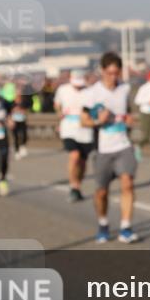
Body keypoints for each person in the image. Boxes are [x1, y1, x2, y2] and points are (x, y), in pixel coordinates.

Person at [80, 53, 139, 244]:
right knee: (101, 192)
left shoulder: (125, 90)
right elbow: (84, 121)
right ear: (102, 71)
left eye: (116, 73)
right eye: (109, 73)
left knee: (127, 183)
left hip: (123, 145)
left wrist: (129, 120)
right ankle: (103, 223)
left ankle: (126, 227)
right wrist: (99, 120)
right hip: (102, 149)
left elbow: (129, 114)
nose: (113, 77)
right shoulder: (92, 93)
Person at [55, 70, 94, 203]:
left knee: (82, 161)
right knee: (74, 155)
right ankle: (73, 186)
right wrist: (59, 112)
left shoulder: (90, 91)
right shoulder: (63, 90)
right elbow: (57, 104)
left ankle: (78, 185)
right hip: (68, 128)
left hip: (85, 130)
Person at [11, 81, 32, 160]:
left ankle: (23, 145)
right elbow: (8, 111)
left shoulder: (25, 101)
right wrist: (13, 110)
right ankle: (17, 151)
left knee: (24, 134)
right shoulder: (11, 102)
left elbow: (28, 108)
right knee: (16, 136)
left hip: (22, 120)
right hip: (14, 121)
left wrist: (23, 110)